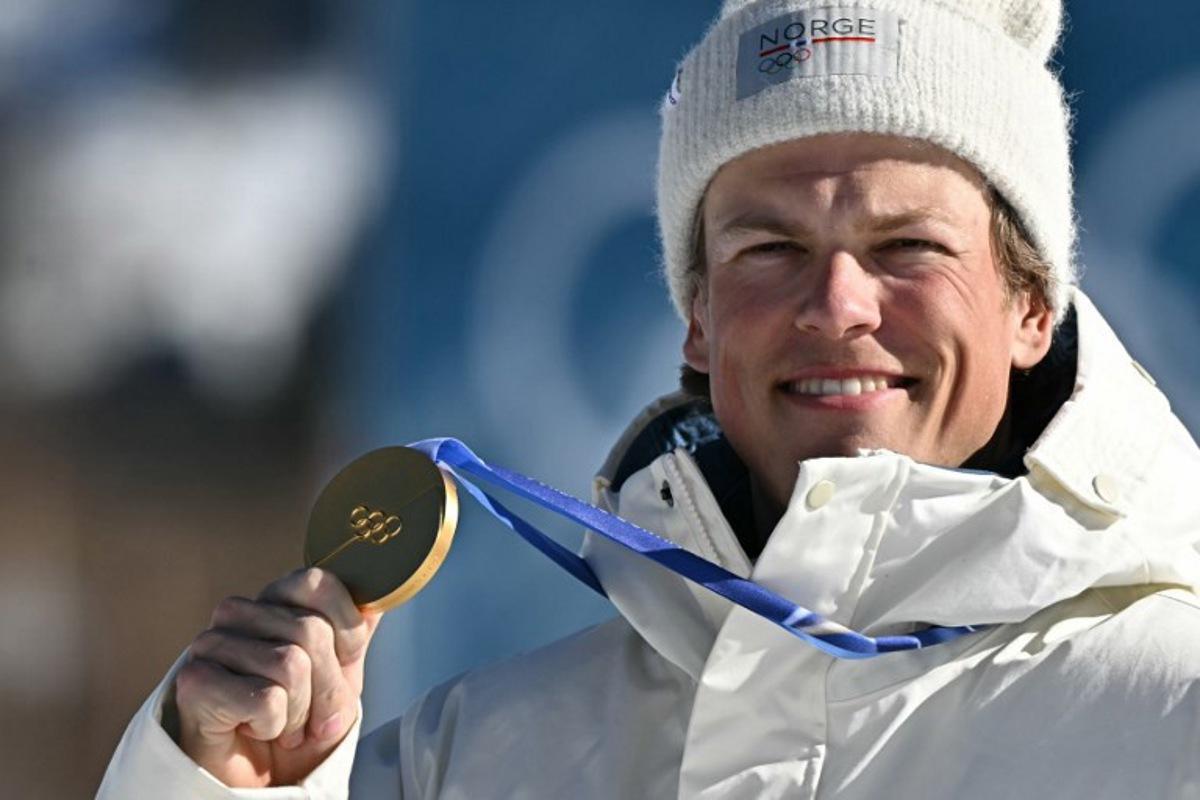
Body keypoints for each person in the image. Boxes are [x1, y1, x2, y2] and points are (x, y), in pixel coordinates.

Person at [99, 0, 1200, 797]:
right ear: (698, 319)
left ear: (1032, 308)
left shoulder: (1173, 713)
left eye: (907, 244)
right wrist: (226, 783)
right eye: (769, 247)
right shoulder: (475, 756)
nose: (836, 301)